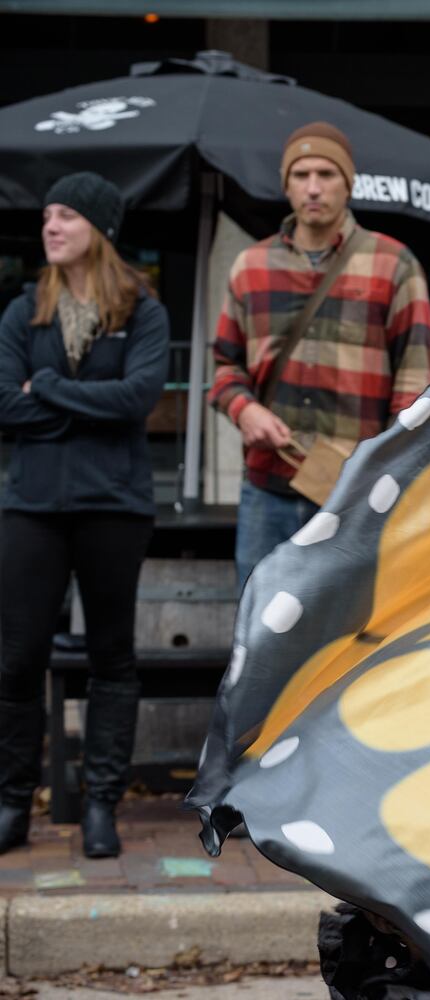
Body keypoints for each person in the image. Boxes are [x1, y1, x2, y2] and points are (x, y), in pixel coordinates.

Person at [0, 172, 168, 858]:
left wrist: (55, 391)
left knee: (111, 657)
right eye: (47, 215)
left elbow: (138, 400)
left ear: (97, 228)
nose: (51, 226)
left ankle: (102, 806)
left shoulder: (142, 311)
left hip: (114, 505)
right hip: (32, 505)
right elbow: (5, 407)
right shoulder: (22, 312)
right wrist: (85, 402)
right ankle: (12, 804)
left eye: (66, 215)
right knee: (15, 660)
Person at [210, 121, 430, 590]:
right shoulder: (250, 266)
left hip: (354, 492)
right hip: (266, 487)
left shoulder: (395, 263)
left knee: (352, 635)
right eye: (301, 174)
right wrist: (244, 409)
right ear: (286, 185)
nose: (313, 187)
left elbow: (414, 382)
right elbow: (224, 366)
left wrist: (381, 471)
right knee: (260, 630)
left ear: (348, 183)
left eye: (327, 174)